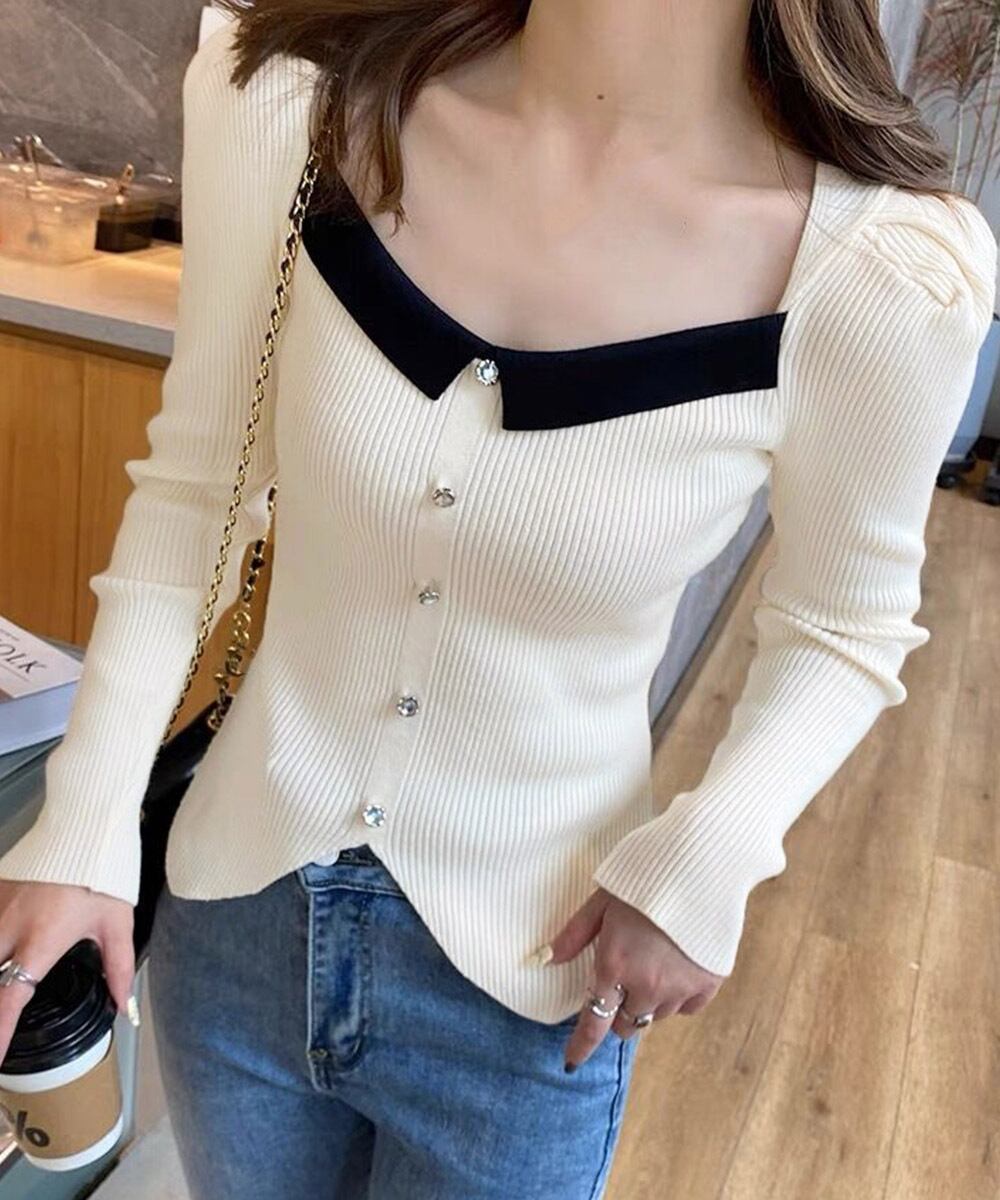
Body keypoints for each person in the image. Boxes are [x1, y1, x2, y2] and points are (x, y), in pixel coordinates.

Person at [0, 2, 995, 1197]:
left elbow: (844, 622)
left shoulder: (884, 274)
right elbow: (200, 490)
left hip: (534, 986)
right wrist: (86, 821)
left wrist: (713, 847)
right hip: (236, 919)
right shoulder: (285, 105)